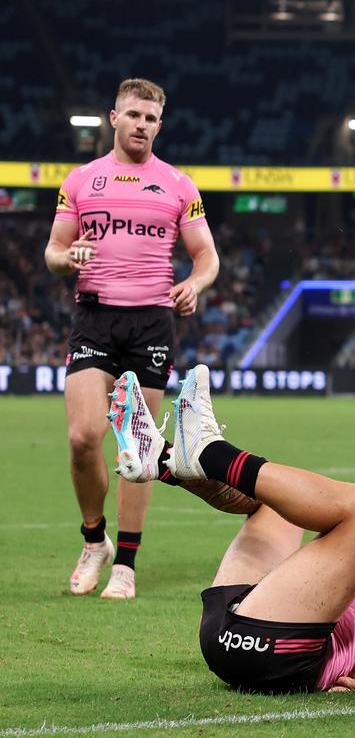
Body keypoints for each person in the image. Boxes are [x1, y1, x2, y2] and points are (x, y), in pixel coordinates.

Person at [108, 364, 355, 693]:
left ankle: (211, 453)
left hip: (279, 656)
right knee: (281, 504)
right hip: (238, 626)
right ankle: (162, 460)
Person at [44, 78, 220, 599]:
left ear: (159, 125)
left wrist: (193, 283)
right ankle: (93, 538)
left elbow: (206, 257)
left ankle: (126, 563)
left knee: (137, 449)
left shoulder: (178, 185)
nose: (142, 124)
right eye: (134, 115)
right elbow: (53, 251)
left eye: (151, 118)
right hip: (95, 319)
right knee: (82, 437)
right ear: (114, 118)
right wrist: (68, 257)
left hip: (151, 322)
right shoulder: (81, 181)